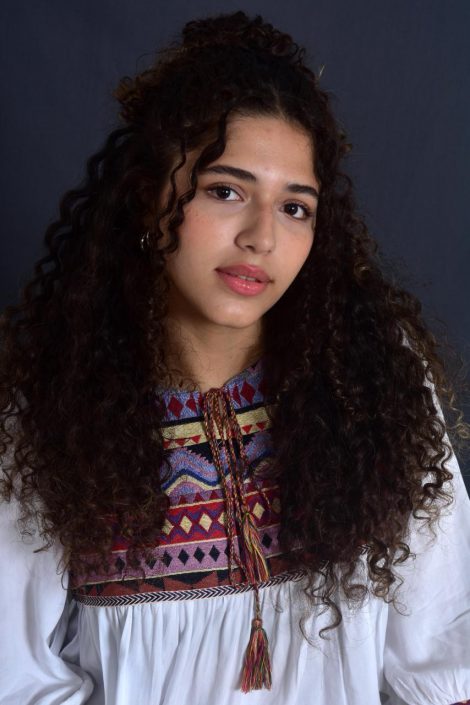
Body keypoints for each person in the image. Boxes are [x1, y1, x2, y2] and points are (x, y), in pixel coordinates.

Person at [0, 10, 469, 705]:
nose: (261, 237)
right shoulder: (50, 408)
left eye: (295, 208)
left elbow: (440, 646)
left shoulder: (379, 384)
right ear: (147, 195)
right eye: (225, 191)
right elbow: (18, 676)